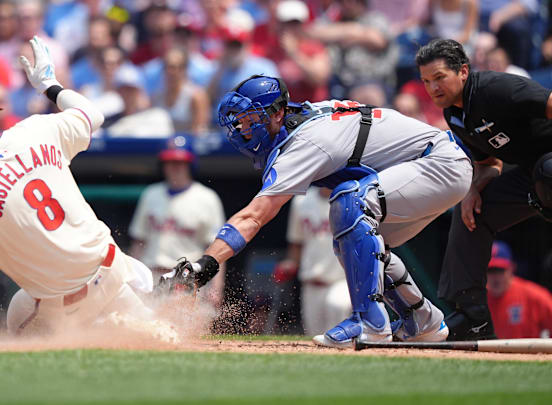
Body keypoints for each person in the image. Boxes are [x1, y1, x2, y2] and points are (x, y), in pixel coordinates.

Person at [0, 36, 175, 344]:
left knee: (18, 320)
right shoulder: (38, 128)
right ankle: (127, 319)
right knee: (163, 336)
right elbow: (95, 116)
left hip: (66, 303)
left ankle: (97, 330)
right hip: (113, 268)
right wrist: (50, 85)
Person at [159, 74, 471, 348]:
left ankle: (371, 324)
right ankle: (422, 319)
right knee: (356, 244)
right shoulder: (304, 117)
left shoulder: (304, 142)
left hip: (438, 164)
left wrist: (203, 267)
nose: (242, 128)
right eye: (239, 121)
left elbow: (255, 216)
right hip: (428, 165)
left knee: (349, 201)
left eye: (250, 118)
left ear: (278, 113)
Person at [415, 38, 552, 340]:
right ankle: (471, 315)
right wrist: (474, 188)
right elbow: (490, 163)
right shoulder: (453, 113)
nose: (433, 87)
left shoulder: (495, 88)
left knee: (548, 172)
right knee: (471, 212)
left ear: (463, 71)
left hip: (547, 168)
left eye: (439, 77)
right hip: (530, 176)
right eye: (426, 81)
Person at [129, 136, 225, 306]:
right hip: (152, 276)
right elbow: (139, 241)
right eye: (170, 162)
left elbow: (217, 249)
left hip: (187, 278)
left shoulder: (207, 198)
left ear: (190, 164)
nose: (175, 167)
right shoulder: (151, 194)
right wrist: (131, 277)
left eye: (180, 162)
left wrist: (216, 288)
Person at [275, 188, 351, 336]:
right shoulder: (301, 201)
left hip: (342, 280)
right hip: (311, 282)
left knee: (337, 309)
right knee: (314, 336)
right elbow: (297, 242)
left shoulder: (349, 198)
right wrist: (291, 263)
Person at [487, 241, 552, 339]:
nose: (495, 277)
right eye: (491, 271)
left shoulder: (534, 296)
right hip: (491, 354)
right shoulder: (477, 299)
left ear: (511, 268)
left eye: (500, 270)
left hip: (530, 353)